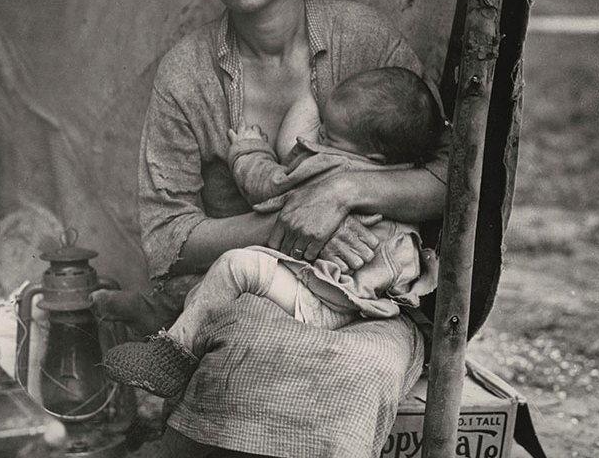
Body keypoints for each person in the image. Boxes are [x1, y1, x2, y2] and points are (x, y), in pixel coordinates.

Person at [92, 0, 450, 454]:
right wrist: (285, 227)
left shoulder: (365, 40)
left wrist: (341, 193)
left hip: (371, 308)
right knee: (248, 357)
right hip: (249, 295)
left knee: (355, 376)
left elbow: (450, 180)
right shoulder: (187, 73)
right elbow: (167, 236)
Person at [103, 67, 444, 398]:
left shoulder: (332, 165)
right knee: (229, 286)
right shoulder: (399, 174)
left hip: (329, 301)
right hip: (363, 297)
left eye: (328, 134)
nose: (318, 135)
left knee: (236, 267)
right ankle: (162, 316)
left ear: (371, 153)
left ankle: (171, 359)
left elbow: (268, 185)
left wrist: (249, 149)